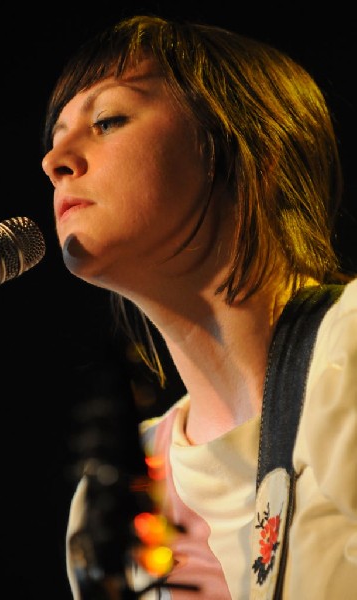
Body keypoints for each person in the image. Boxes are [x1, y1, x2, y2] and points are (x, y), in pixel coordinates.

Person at [41, 14, 357, 599]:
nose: (55, 160)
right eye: (55, 136)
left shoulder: (349, 350)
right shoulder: (112, 495)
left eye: (107, 119)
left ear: (249, 148)